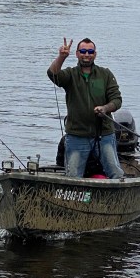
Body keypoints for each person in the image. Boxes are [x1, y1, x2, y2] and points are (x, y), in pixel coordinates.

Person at [48, 37, 124, 179]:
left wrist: (105, 108)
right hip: (76, 135)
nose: (87, 55)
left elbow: (117, 100)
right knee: (73, 176)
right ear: (77, 54)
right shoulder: (70, 74)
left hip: (104, 135)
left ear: (95, 54)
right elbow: (52, 74)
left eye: (90, 52)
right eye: (83, 51)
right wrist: (61, 57)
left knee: (116, 173)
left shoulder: (105, 74)